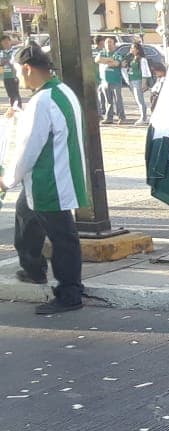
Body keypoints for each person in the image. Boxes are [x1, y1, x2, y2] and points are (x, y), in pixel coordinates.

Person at [1, 45, 89, 315]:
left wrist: (7, 180)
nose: (18, 78)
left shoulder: (41, 101)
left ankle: (70, 292)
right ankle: (34, 268)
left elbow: (29, 147)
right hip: (56, 176)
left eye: (18, 72)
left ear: (27, 68)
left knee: (62, 238)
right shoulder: (61, 92)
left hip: (47, 180)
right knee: (26, 220)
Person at [96, 36, 126, 124]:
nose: (108, 44)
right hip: (105, 81)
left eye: (110, 43)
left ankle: (122, 117)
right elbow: (97, 60)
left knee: (118, 100)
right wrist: (109, 60)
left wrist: (104, 61)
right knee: (108, 100)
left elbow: (116, 63)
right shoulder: (102, 52)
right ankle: (109, 118)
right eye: (106, 43)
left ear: (114, 44)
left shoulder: (117, 54)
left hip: (115, 80)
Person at [124, 42, 151, 125]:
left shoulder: (142, 59)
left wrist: (144, 82)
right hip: (131, 80)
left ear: (137, 50)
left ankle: (144, 118)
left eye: (133, 48)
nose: (131, 49)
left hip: (138, 80)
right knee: (137, 99)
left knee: (140, 100)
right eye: (131, 48)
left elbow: (145, 72)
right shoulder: (131, 58)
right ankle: (143, 117)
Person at [0, 36, 22, 109]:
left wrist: (7, 61)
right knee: (10, 95)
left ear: (10, 42)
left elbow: (15, 62)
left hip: (14, 76)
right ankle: (13, 109)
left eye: (7, 42)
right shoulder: (1, 53)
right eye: (4, 42)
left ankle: (19, 109)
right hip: (6, 76)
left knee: (16, 94)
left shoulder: (14, 52)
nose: (5, 44)